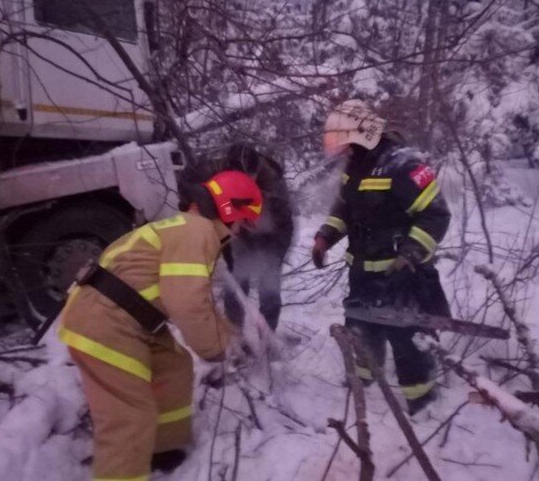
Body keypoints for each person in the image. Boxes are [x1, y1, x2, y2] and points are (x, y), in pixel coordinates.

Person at [58, 170, 263, 480]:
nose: (239, 232)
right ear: (230, 208)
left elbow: (198, 301)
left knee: (175, 364)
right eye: (243, 222)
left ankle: (163, 448)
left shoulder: (188, 229)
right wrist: (219, 348)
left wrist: (230, 335)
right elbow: (187, 305)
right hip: (104, 321)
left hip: (127, 317)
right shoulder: (199, 231)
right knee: (128, 416)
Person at [312, 99, 451, 415]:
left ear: (361, 135)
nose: (340, 150)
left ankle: (423, 402)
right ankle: (363, 386)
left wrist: (411, 254)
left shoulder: (405, 165)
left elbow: (436, 214)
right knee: (360, 327)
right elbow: (346, 208)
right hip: (362, 271)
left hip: (402, 275)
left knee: (407, 339)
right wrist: (325, 236)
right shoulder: (356, 166)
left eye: (343, 141)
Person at [188, 143, 294, 332]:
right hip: (238, 236)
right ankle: (236, 334)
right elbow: (190, 182)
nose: (241, 183)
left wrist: (274, 256)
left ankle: (267, 337)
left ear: (256, 172)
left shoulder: (273, 185)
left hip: (270, 238)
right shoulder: (216, 169)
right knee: (235, 285)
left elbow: (283, 226)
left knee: (269, 288)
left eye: (247, 179)